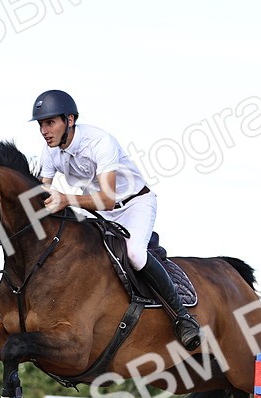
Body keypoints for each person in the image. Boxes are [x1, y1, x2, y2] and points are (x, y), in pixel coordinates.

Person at [31, 89, 201, 351]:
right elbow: (41, 194)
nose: (44, 130)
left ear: (70, 120)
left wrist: (65, 199)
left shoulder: (100, 142)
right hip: (95, 208)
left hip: (133, 203)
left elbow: (108, 200)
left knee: (134, 254)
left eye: (50, 122)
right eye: (42, 124)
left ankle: (183, 317)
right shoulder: (49, 153)